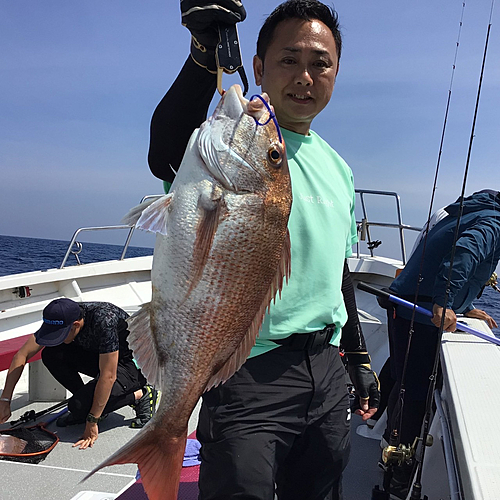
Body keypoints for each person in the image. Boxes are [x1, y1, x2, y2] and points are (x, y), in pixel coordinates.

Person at [148, 1, 380, 498]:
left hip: (326, 370)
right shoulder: (236, 138)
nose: (305, 76)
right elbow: (166, 147)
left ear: (336, 73)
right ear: (258, 67)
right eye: (288, 59)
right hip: (247, 371)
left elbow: (336, 269)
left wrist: (357, 358)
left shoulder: (340, 168)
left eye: (321, 63)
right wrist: (201, 55)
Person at [384, 189, 500, 494]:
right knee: (416, 388)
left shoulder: (480, 212)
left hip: (410, 300)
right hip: (418, 308)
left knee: (405, 380)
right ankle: (398, 472)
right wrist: (445, 302)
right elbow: (465, 250)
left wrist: (463, 305)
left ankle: (389, 443)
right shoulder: (494, 223)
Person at [0, 299, 158, 449]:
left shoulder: (104, 320)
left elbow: (108, 376)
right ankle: (87, 401)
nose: (57, 338)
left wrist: (92, 420)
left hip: (134, 365)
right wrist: (5, 400)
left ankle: (141, 394)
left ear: (75, 325)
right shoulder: (63, 315)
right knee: (51, 353)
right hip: (101, 356)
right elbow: (22, 355)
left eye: (60, 334)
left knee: (78, 406)